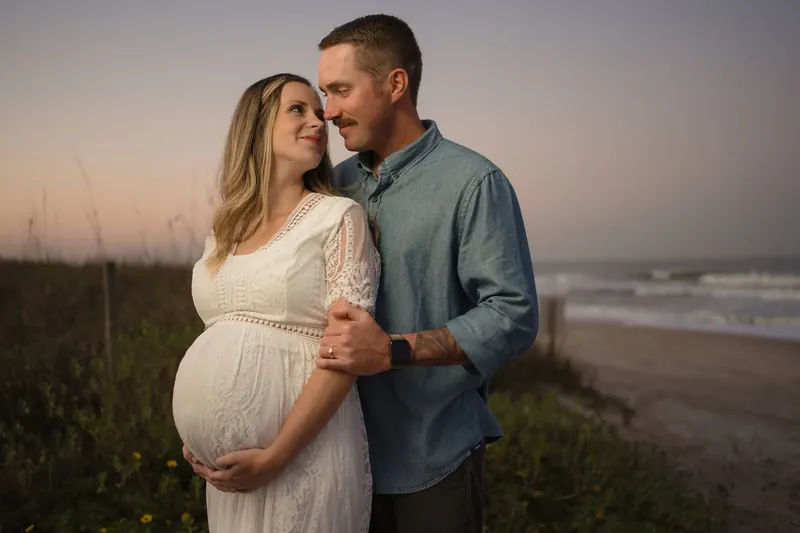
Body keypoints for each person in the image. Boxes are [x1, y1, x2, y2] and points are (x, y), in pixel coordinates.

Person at [315, 14, 539, 533]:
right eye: (325, 94)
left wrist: (393, 349)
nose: (329, 112)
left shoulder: (474, 183)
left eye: (341, 91)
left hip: (433, 462)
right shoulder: (332, 186)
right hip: (340, 460)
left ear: (395, 84)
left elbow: (513, 314)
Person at [172, 73, 380, 533]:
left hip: (306, 457)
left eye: (317, 109)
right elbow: (219, 336)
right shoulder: (222, 232)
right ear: (257, 125)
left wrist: (275, 456)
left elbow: (345, 355)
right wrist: (198, 431)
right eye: (297, 109)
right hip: (228, 475)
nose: (319, 119)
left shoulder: (337, 218)